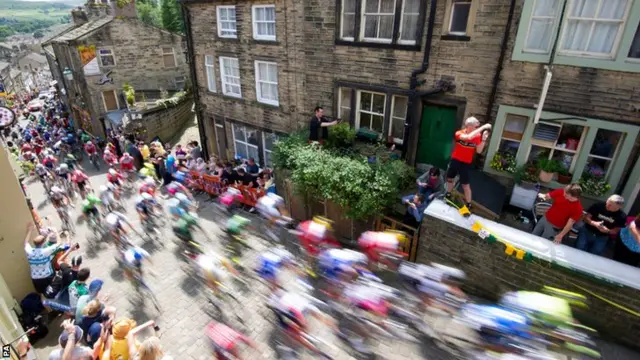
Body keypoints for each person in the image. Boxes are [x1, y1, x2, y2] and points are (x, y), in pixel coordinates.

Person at [444, 117, 491, 215]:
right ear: (469, 126)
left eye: (476, 127)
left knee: (465, 184)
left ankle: (468, 204)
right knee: (450, 178)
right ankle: (448, 194)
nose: (476, 128)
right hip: (456, 159)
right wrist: (483, 127)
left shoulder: (477, 136)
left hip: (466, 163)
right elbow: (468, 138)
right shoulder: (459, 133)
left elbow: (478, 151)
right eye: (475, 126)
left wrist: (483, 139)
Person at [24, 223, 62, 294]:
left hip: (36, 278)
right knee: (51, 292)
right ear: (43, 243)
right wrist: (56, 232)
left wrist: (29, 230)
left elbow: (25, 243)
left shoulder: (29, 251)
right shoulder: (46, 251)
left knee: (41, 293)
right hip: (47, 276)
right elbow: (59, 243)